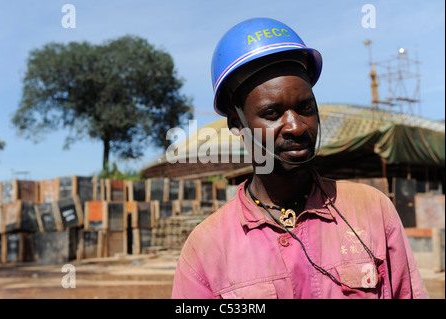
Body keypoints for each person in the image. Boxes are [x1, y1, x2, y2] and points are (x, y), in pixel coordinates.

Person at [171, 17, 429, 299]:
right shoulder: (206, 248)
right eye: (272, 113)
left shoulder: (373, 211)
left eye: (305, 107)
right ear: (237, 123)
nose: (296, 126)